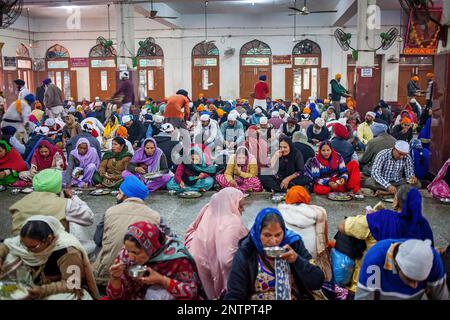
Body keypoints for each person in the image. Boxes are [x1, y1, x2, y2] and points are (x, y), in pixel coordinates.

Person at [338, 186, 434, 292]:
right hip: (411, 288)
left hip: (372, 286)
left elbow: (342, 226)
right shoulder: (424, 225)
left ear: (396, 202)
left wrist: (371, 217)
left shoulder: (382, 218)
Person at [224, 208, 324, 300]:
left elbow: (317, 282)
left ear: (284, 232)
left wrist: (297, 260)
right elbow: (235, 294)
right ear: (258, 233)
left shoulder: (294, 244)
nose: (273, 241)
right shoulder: (247, 251)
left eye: (278, 235)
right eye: (267, 235)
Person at [0, 216, 99, 300]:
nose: (28, 250)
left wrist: (42, 291)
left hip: (62, 289)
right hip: (35, 283)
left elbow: (72, 284)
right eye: (24, 245)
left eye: (33, 247)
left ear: (49, 239)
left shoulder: (68, 251)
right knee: (9, 258)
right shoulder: (28, 241)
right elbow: (7, 245)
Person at [92, 176, 161, 285]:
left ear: (125, 195)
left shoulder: (110, 211)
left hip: (106, 277)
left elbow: (97, 239)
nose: (116, 195)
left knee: (97, 246)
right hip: (140, 277)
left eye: (119, 192)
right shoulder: (155, 216)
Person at [106, 221, 201, 300]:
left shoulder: (176, 258)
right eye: (128, 250)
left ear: (151, 248)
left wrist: (162, 280)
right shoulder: (125, 256)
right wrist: (115, 278)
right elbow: (115, 297)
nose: (130, 257)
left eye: (136, 253)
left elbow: (191, 293)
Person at [184, 188, 247, 299]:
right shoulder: (233, 223)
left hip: (196, 263)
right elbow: (227, 261)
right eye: (240, 206)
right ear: (231, 205)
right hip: (216, 272)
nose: (243, 210)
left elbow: (191, 229)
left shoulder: (209, 209)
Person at [10, 169, 94, 242]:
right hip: (54, 251)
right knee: (77, 227)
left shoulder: (18, 204)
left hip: (24, 251)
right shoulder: (65, 204)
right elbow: (89, 218)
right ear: (58, 185)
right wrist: (73, 197)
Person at [356, 239, 448, 300]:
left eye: (420, 280)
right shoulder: (375, 260)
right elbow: (364, 297)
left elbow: (441, 297)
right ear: (396, 264)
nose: (415, 286)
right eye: (410, 279)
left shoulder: (433, 260)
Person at [277, 186, 331, 280]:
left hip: (287, 261)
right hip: (311, 262)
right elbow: (325, 242)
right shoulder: (318, 213)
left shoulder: (279, 213)